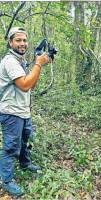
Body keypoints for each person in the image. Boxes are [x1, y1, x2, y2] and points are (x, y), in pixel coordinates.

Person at [0, 27, 50, 196]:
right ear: (10, 42)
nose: (22, 43)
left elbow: (30, 84)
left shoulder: (20, 60)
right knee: (11, 147)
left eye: (24, 40)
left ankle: (25, 163)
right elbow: (25, 85)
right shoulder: (9, 61)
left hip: (23, 110)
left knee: (25, 141)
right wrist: (38, 63)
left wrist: (37, 66)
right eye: (18, 40)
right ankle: (6, 180)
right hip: (11, 112)